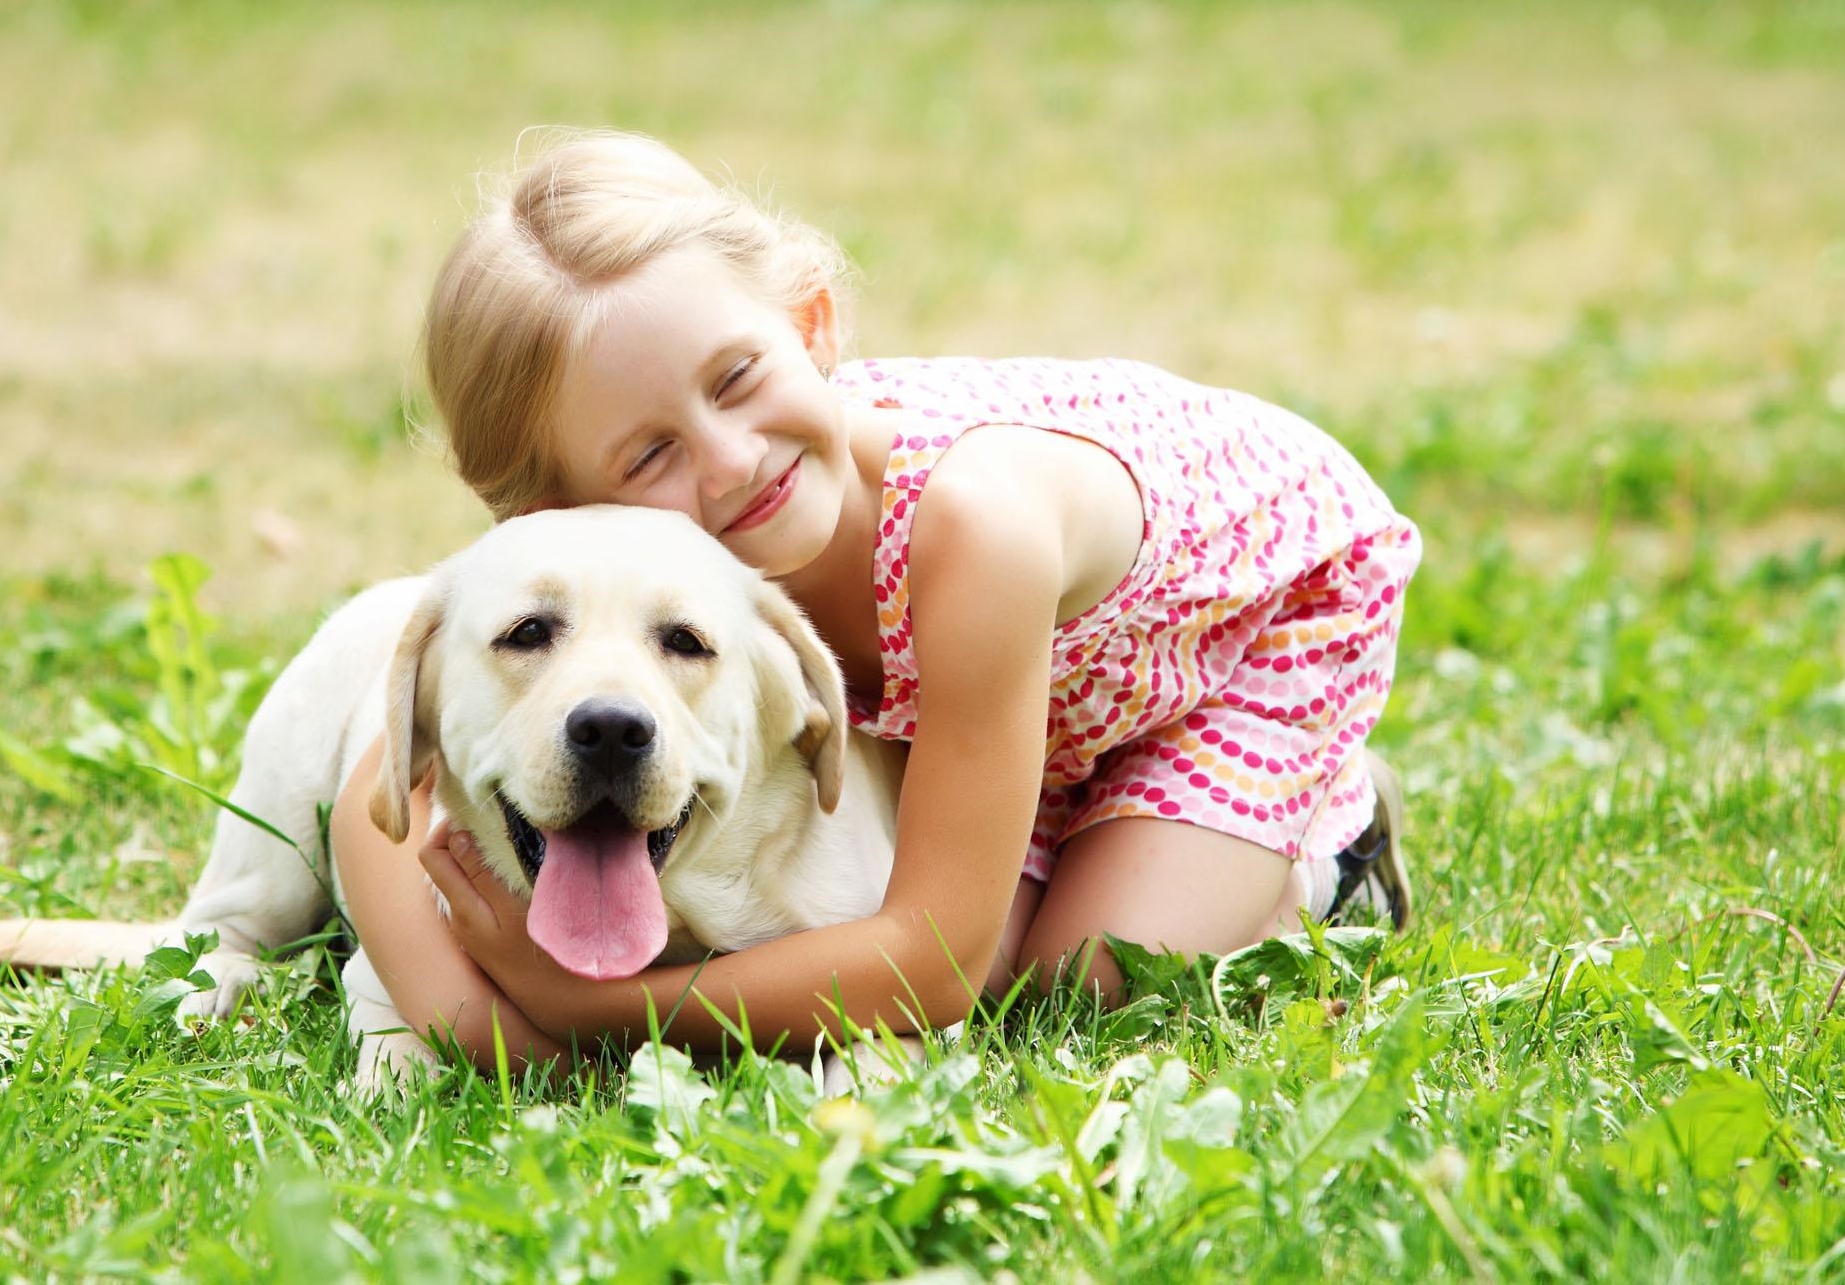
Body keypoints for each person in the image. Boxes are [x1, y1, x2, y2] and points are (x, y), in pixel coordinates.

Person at [328, 130, 1419, 1071]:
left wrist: (588, 1010)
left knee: (1067, 986)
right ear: (563, 506)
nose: (732, 460)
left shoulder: (981, 529)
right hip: (1011, 686)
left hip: (1249, 620)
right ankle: (1092, 820)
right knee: (930, 942)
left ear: (811, 326)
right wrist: (473, 1023)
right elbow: (372, 800)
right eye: (650, 451)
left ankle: (1331, 841)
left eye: (739, 377)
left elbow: (930, 968)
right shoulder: (605, 577)